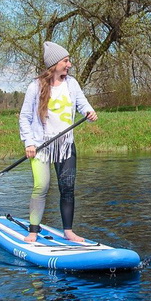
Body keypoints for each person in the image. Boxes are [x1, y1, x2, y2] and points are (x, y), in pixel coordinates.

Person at [19, 41, 97, 244]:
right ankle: (33, 231)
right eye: (66, 60)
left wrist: (88, 111)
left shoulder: (71, 83)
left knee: (67, 188)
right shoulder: (35, 86)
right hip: (41, 146)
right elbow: (24, 117)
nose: (69, 64)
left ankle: (68, 231)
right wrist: (29, 143)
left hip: (65, 146)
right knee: (41, 186)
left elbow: (82, 102)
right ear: (54, 64)